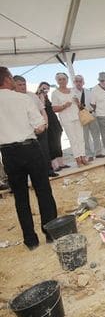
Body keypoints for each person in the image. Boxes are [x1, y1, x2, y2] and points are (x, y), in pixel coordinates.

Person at [0, 66, 58, 250]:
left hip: (8, 153)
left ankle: (31, 241)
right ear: (8, 79)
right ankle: (50, 234)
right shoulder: (22, 98)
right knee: (43, 191)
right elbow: (40, 126)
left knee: (20, 197)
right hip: (29, 148)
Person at [13, 76, 58, 177]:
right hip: (26, 131)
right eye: (20, 84)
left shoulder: (32, 95)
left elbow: (42, 110)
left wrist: (45, 123)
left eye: (24, 84)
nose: (23, 86)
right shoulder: (13, 98)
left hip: (40, 128)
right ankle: (37, 174)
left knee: (45, 150)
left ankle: (49, 171)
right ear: (14, 85)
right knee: (31, 155)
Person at [51, 72, 87, 167]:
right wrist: (64, 106)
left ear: (67, 80)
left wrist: (78, 103)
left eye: (64, 79)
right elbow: (54, 109)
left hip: (77, 117)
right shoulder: (55, 93)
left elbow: (79, 105)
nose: (62, 81)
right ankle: (78, 159)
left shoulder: (73, 90)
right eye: (60, 79)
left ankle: (83, 157)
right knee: (73, 140)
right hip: (67, 119)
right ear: (57, 81)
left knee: (81, 138)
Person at [73, 75, 105, 161]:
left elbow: (93, 103)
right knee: (85, 137)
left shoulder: (88, 91)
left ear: (83, 82)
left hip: (91, 115)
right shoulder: (72, 93)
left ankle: (98, 153)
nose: (78, 83)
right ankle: (89, 155)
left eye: (80, 81)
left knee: (96, 135)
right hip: (82, 116)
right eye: (77, 81)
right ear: (74, 83)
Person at [37, 82, 68, 171]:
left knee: (57, 143)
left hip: (54, 123)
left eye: (47, 89)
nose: (45, 90)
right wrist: (41, 94)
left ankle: (61, 163)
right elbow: (41, 107)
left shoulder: (47, 98)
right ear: (39, 88)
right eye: (43, 88)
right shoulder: (37, 97)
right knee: (51, 144)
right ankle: (55, 165)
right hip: (47, 123)